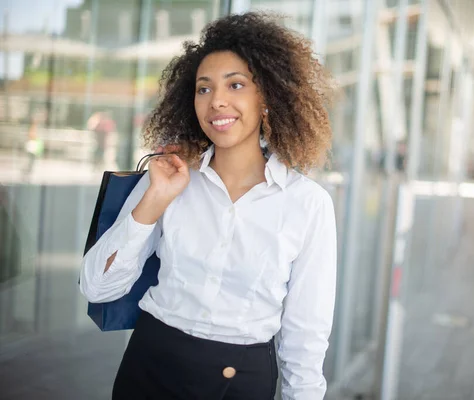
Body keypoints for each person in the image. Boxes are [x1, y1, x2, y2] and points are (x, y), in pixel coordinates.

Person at [79, 12, 337, 400]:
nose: (217, 101)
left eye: (236, 85)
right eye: (204, 89)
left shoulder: (307, 204)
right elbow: (96, 288)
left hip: (241, 382)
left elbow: (306, 336)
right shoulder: (168, 178)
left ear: (267, 97)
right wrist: (155, 199)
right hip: (149, 369)